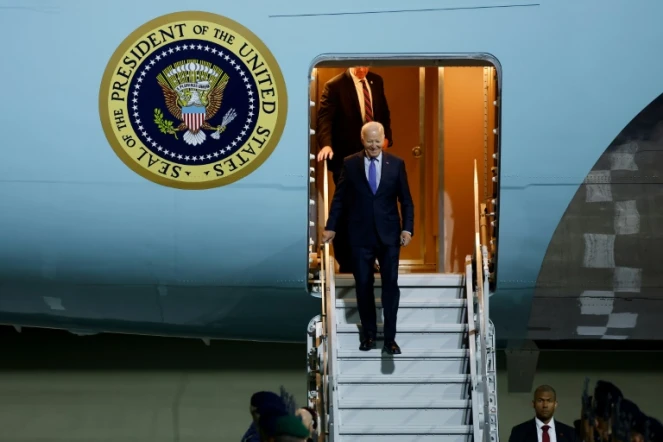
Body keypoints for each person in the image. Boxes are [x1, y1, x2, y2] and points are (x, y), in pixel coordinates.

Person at [322, 121, 413, 355]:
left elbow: (406, 200)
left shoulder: (397, 164)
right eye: (369, 141)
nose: (374, 146)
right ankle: (369, 335)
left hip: (389, 235)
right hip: (360, 235)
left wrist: (407, 229)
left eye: (377, 141)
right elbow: (339, 199)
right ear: (362, 140)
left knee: (390, 286)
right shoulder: (350, 164)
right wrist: (331, 227)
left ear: (383, 139)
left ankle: (390, 339)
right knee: (363, 286)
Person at [316, 66, 393, 273]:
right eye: (358, 65)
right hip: (346, 160)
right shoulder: (334, 86)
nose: (362, 69)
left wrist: (386, 138)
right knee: (348, 210)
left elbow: (383, 112)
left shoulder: (376, 80)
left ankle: (368, 260)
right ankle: (348, 261)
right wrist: (326, 144)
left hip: (374, 157)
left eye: (366, 64)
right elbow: (324, 119)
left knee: (373, 209)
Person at [508, 385, 578, 442]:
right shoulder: (519, 432)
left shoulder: (570, 433)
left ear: (555, 404)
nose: (545, 405)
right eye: (540, 401)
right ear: (533, 404)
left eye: (549, 401)